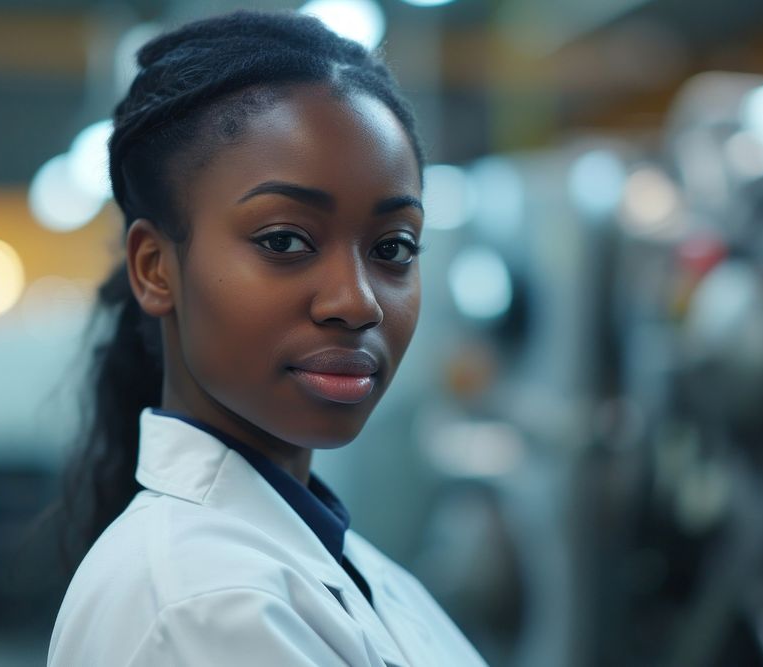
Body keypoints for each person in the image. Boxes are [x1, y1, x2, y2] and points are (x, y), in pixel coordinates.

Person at [49, 10, 487, 666]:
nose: (357, 301)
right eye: (284, 240)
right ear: (155, 267)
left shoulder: (329, 557)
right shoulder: (208, 608)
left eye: (393, 247)